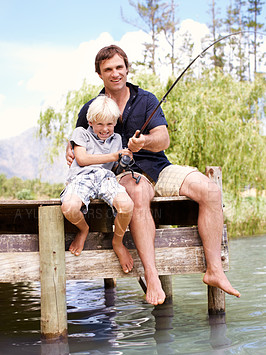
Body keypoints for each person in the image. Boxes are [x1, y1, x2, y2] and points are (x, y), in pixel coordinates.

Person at [66, 45, 241, 305]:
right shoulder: (91, 107)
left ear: (126, 68)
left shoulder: (146, 99)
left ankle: (214, 270)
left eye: (119, 67)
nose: (115, 74)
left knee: (211, 191)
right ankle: (153, 276)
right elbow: (77, 144)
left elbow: (164, 139)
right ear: (99, 74)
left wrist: (144, 141)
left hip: (159, 166)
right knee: (136, 193)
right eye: (108, 70)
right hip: (123, 173)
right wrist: (68, 150)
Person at [61, 94, 134, 274]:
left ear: (115, 123)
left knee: (126, 206)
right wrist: (114, 156)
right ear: (91, 121)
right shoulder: (81, 133)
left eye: (109, 124)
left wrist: (123, 160)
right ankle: (83, 229)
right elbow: (83, 158)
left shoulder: (116, 138)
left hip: (105, 178)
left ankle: (117, 242)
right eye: (100, 124)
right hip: (82, 177)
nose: (105, 129)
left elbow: (115, 166)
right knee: (69, 207)